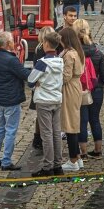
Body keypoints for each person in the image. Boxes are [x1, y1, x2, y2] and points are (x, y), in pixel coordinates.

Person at [0, 31, 30, 171]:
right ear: (9, 43)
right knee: (10, 130)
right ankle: (6, 161)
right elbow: (25, 75)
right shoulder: (11, 60)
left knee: (0, 128)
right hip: (11, 100)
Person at [26, 31, 64, 177]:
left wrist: (38, 83)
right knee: (56, 133)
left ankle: (48, 166)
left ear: (46, 44)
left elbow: (30, 80)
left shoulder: (42, 62)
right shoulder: (60, 60)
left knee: (46, 134)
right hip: (56, 99)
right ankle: (57, 164)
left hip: (43, 100)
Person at [73, 19, 104, 160]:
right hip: (97, 90)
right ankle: (98, 150)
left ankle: (83, 152)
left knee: (82, 120)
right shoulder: (98, 53)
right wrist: (97, 83)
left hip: (80, 90)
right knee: (95, 119)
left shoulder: (74, 54)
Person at [59, 27, 85, 172]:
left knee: (70, 125)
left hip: (69, 88)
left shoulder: (69, 54)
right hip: (76, 86)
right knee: (74, 122)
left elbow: (65, 76)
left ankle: (73, 160)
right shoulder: (78, 51)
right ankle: (78, 158)